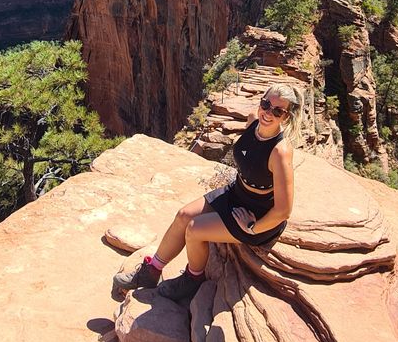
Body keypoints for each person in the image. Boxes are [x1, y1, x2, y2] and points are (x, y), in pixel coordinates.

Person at [111, 83, 303, 303]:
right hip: (236, 194)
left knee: (194, 230)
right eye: (266, 104)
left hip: (255, 216)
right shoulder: (252, 121)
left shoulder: (280, 152)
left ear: (286, 118)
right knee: (184, 215)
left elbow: (283, 211)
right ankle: (151, 272)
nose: (268, 112)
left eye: (277, 111)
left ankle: (193, 280)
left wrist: (253, 227)